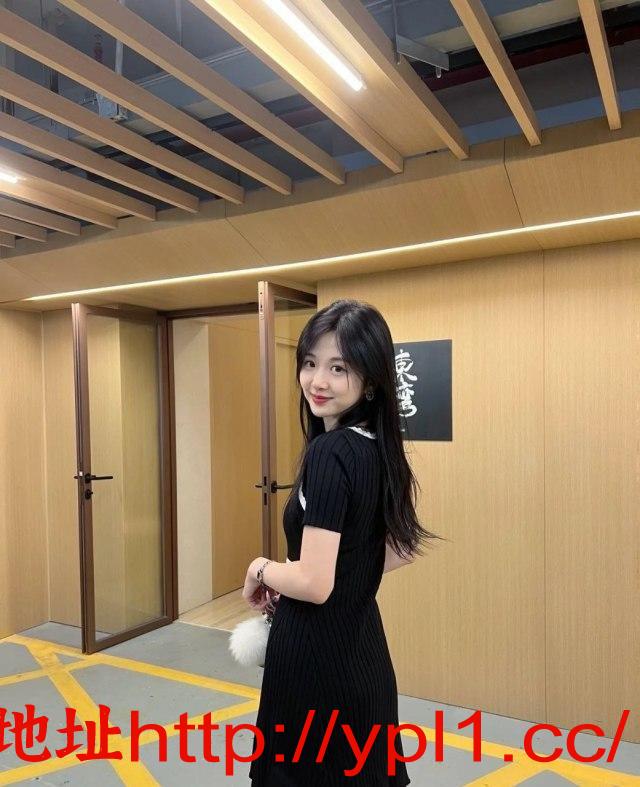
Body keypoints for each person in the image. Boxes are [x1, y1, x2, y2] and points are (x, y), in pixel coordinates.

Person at [243, 299, 445, 786]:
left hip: (314, 664)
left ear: (370, 380)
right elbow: (399, 549)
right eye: (310, 363)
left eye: (339, 368)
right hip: (362, 654)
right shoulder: (378, 447)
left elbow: (315, 585)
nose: (318, 381)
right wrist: (319, 571)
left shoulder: (331, 452)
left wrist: (261, 569)